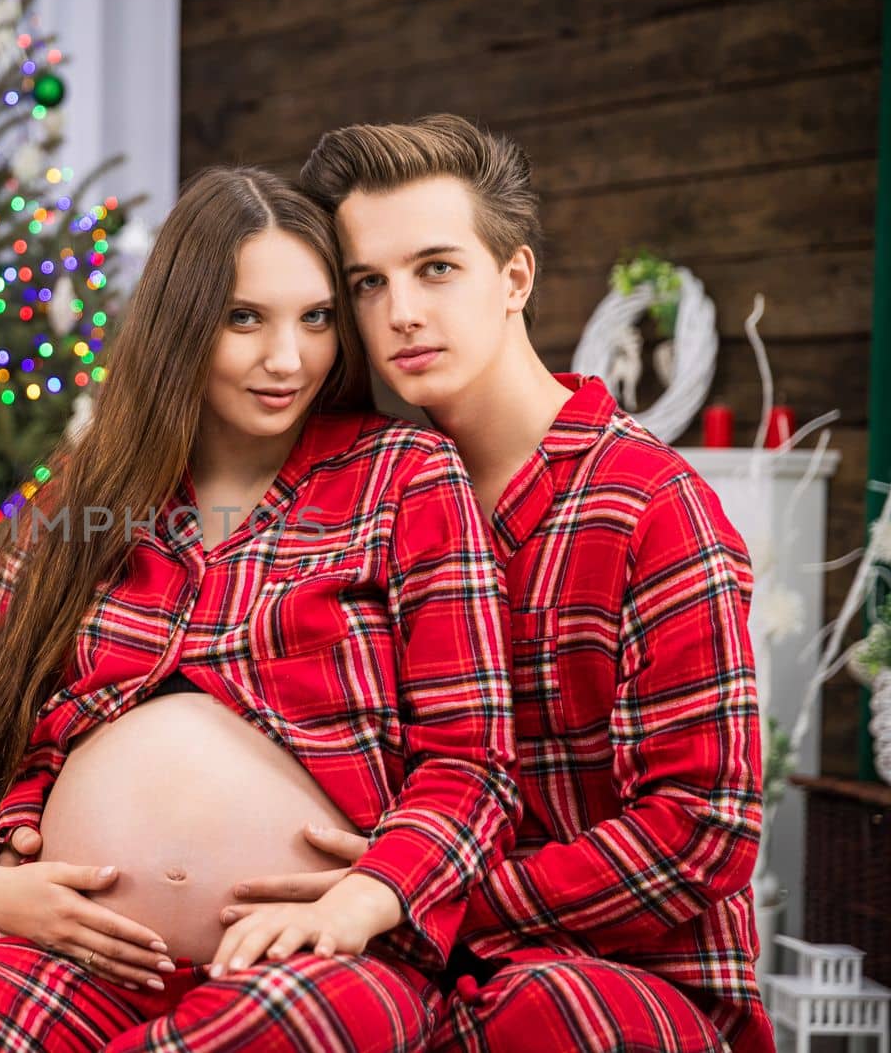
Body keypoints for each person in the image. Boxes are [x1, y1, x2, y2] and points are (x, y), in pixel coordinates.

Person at [0, 165, 520, 1052]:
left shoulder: (404, 477)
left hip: (315, 963)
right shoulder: (82, 497)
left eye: (314, 319)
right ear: (182, 325)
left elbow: (473, 762)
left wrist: (364, 899)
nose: (288, 359)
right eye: (244, 319)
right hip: (72, 958)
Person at [211, 114, 769, 1053]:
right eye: (366, 284)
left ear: (514, 278)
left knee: (539, 1014)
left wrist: (412, 892)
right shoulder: (351, 489)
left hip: (621, 974)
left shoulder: (649, 510)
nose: (401, 312)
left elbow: (700, 830)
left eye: (436, 268)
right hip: (387, 950)